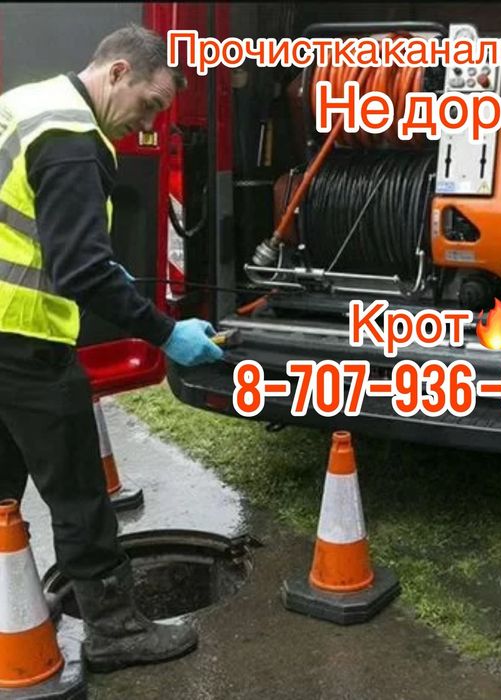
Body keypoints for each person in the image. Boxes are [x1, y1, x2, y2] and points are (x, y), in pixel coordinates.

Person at [0, 24, 223, 672]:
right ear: (118, 71)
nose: (145, 125)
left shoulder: (29, 103)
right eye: (149, 105)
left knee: (1, 487)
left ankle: (13, 611)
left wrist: (81, 256)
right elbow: (81, 273)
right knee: (78, 494)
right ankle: (115, 630)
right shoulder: (74, 141)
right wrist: (166, 333)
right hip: (26, 343)